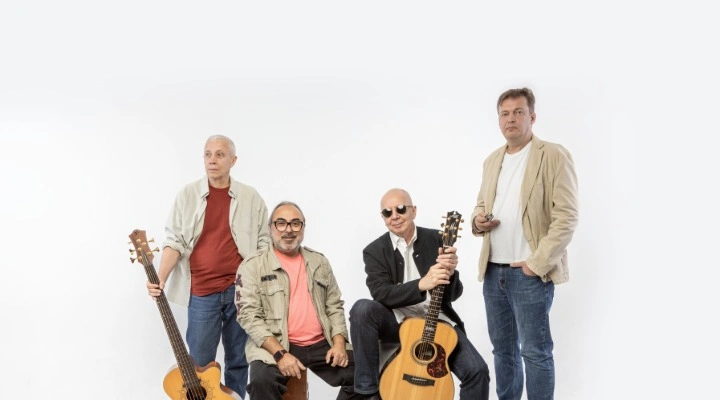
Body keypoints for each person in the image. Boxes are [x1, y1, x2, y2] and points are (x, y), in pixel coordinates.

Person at [471, 87, 579, 400]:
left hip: (529, 274)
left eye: (518, 112)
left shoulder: (553, 155)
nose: (511, 119)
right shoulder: (492, 160)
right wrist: (478, 220)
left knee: (535, 352)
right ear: (498, 120)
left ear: (532, 117)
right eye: (505, 114)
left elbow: (567, 216)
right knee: (502, 351)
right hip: (493, 272)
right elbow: (481, 204)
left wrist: (536, 263)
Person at [147, 134, 271, 399]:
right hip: (201, 292)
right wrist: (161, 277)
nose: (212, 160)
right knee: (199, 364)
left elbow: (264, 243)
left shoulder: (250, 197)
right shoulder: (187, 195)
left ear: (233, 161)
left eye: (219, 154)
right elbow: (175, 240)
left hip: (241, 292)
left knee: (238, 359)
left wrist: (257, 283)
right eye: (207, 154)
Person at [349, 188, 490, 400]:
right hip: (397, 322)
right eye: (387, 212)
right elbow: (381, 293)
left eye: (400, 209)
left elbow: (453, 295)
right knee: (362, 308)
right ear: (383, 218)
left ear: (413, 211)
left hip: (437, 321)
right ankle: (368, 393)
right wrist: (422, 284)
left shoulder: (437, 238)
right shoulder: (374, 250)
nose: (394, 216)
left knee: (477, 371)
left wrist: (450, 273)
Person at [236, 201, 366, 399]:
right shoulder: (252, 266)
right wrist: (280, 354)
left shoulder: (319, 261)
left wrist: (339, 342)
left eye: (295, 223)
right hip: (278, 344)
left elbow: (334, 305)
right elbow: (248, 316)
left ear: (303, 228)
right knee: (261, 382)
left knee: (367, 371)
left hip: (321, 343)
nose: (289, 230)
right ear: (270, 228)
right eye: (281, 223)